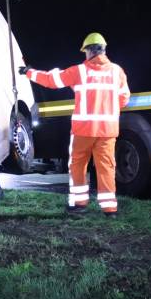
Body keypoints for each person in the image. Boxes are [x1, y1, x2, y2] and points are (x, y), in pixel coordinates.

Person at [19, 32, 130, 217]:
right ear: (103, 50)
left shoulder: (79, 71)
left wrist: (29, 72)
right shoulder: (117, 71)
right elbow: (124, 98)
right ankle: (110, 209)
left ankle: (79, 205)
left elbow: (51, 81)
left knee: (78, 166)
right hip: (107, 131)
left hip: (83, 131)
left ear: (88, 51)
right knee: (106, 167)